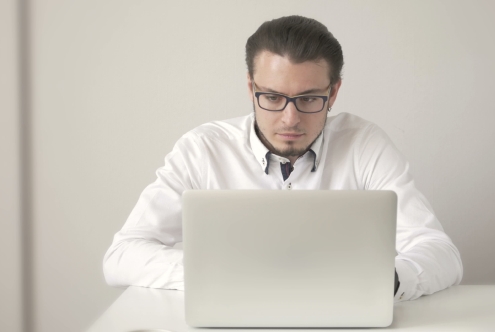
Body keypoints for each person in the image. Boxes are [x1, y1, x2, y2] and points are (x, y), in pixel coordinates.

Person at [103, 15, 463, 302]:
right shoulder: (203, 149)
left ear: (333, 92)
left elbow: (440, 253)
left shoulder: (364, 145)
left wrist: (384, 279)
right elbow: (122, 256)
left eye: (308, 99)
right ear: (251, 88)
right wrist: (233, 273)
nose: (290, 119)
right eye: (273, 97)